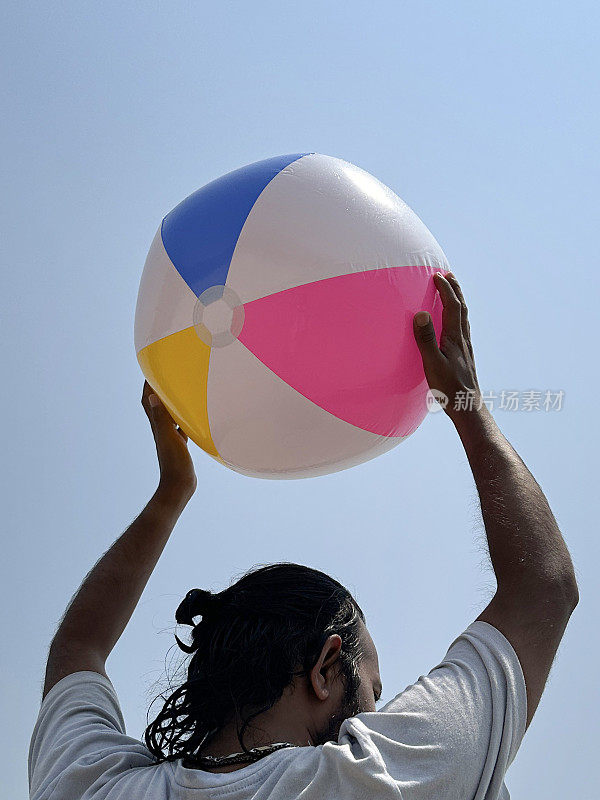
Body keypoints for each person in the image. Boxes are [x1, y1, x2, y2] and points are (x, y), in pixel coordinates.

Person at [28, 273, 579, 800]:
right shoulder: (372, 780)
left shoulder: (93, 787)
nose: (375, 714)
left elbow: (79, 648)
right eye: (371, 692)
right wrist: (467, 405)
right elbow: (544, 587)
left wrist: (170, 493)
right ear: (325, 668)